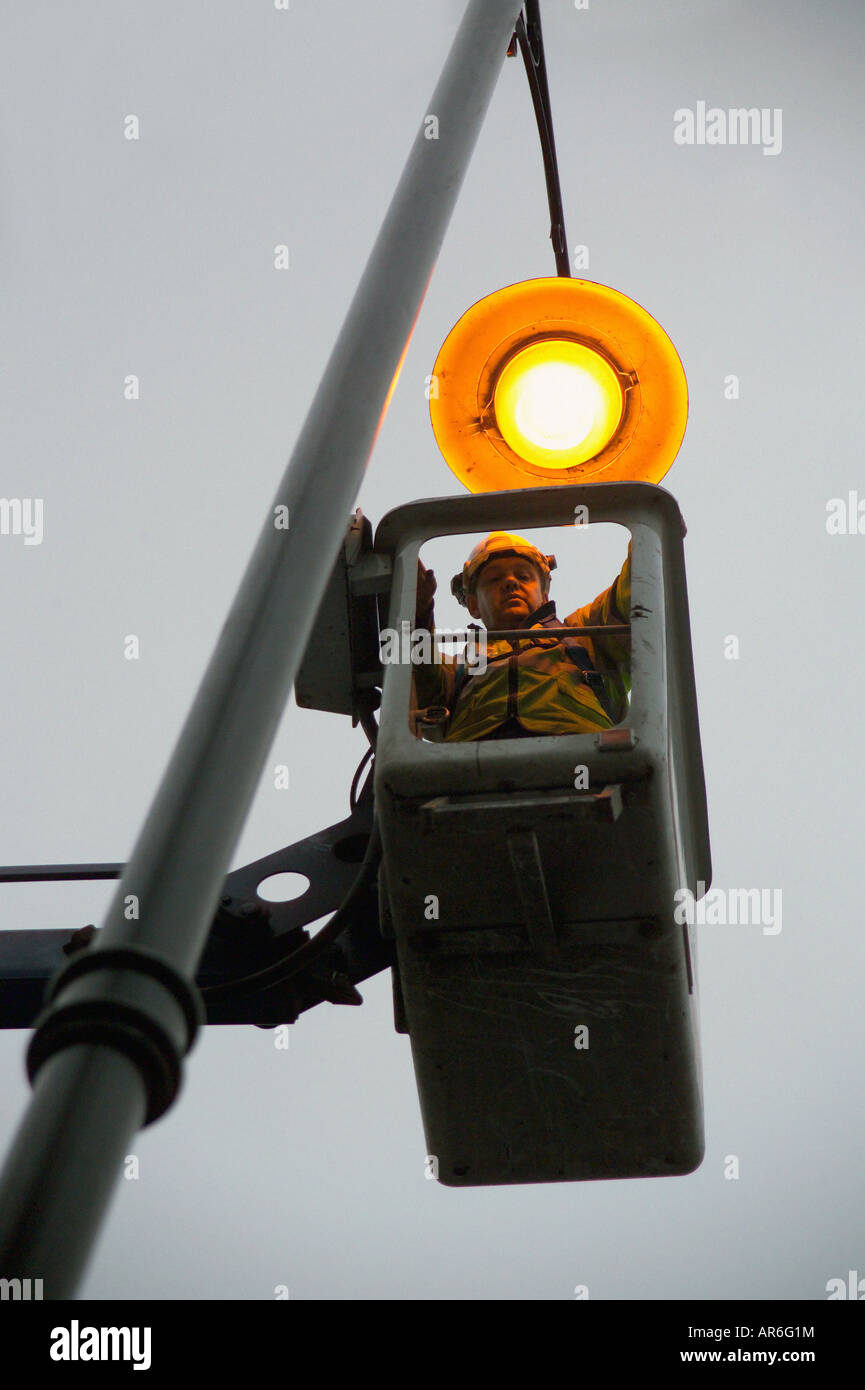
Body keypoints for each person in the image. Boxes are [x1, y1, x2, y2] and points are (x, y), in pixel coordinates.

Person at [413, 532, 631, 741]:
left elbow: (635, 588)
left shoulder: (583, 632)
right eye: (494, 579)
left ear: (545, 596)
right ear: (473, 605)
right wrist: (419, 613)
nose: (511, 583)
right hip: (473, 771)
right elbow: (419, 676)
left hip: (581, 762)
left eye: (523, 576)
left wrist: (633, 503)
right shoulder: (459, 668)